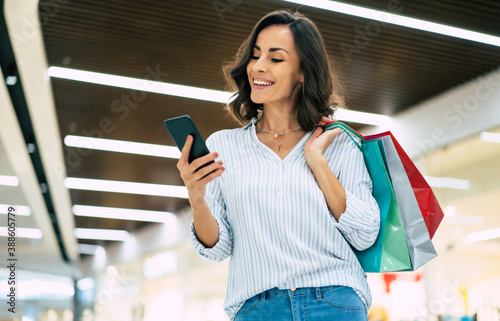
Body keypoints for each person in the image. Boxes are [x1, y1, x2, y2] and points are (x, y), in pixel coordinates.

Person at [177, 9, 380, 321]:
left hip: (334, 303)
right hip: (258, 308)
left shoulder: (338, 142)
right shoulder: (223, 146)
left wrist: (317, 162)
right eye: (255, 56)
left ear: (303, 72)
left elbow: (365, 234)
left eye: (275, 58)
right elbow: (217, 249)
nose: (258, 67)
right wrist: (196, 196)